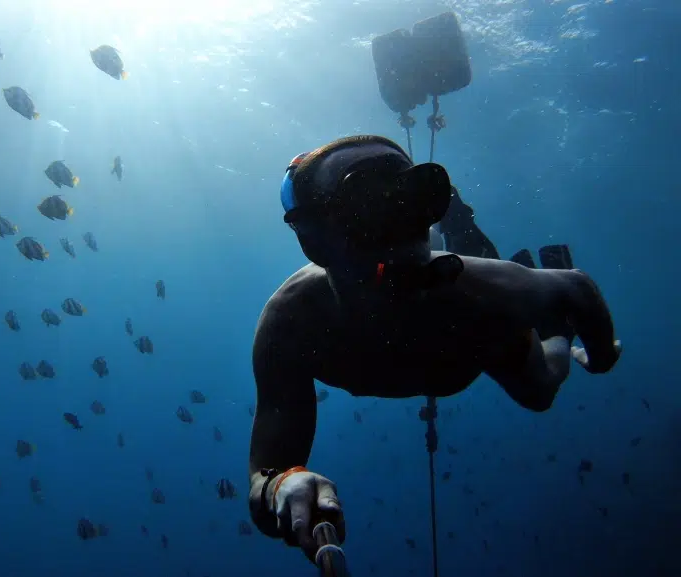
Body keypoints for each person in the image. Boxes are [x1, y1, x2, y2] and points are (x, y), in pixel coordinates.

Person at [247, 135, 622, 564]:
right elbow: (268, 474)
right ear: (314, 240)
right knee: (534, 378)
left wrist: (601, 355)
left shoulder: (482, 293)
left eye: (415, 195)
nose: (403, 224)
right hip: (470, 333)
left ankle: (553, 329)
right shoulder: (290, 322)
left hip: (484, 334)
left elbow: (575, 287)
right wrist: (283, 483)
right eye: (369, 204)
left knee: (541, 392)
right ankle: (471, 237)